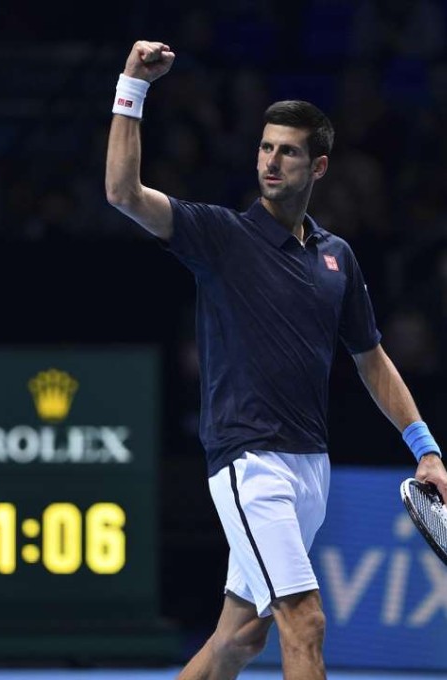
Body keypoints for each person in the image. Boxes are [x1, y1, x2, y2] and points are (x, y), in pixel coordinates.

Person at [104, 41, 447, 680]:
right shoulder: (220, 235)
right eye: (265, 146)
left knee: (239, 637)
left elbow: (372, 360)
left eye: (287, 150)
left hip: (310, 467)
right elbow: (123, 192)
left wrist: (425, 446)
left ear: (318, 167)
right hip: (248, 461)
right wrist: (133, 86)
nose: (271, 160)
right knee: (305, 621)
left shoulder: (336, 257)